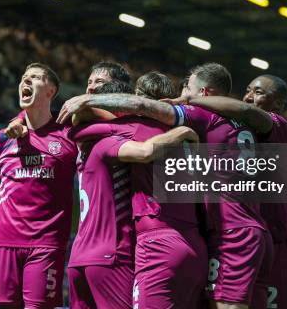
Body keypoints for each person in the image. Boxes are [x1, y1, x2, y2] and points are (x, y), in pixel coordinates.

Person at [58, 63, 273, 309]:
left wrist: (85, 103)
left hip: (158, 243)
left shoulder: (137, 127)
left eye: (188, 90)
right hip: (204, 242)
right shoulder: (210, 131)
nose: (183, 97)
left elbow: (80, 127)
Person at [169, 74, 287, 309]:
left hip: (283, 243)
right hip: (259, 239)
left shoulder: (280, 127)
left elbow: (245, 110)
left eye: (258, 92)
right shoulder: (248, 134)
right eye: (247, 90)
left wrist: (188, 99)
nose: (249, 97)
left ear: (277, 104)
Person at [66, 78, 201, 309]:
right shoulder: (196, 132)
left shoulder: (129, 129)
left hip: (152, 242)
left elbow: (76, 128)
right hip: (195, 243)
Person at [0, 63, 77, 309]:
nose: (26, 81)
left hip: (46, 245)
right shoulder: (3, 139)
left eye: (35, 78)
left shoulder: (68, 137)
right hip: (4, 244)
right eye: (23, 78)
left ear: (51, 91)